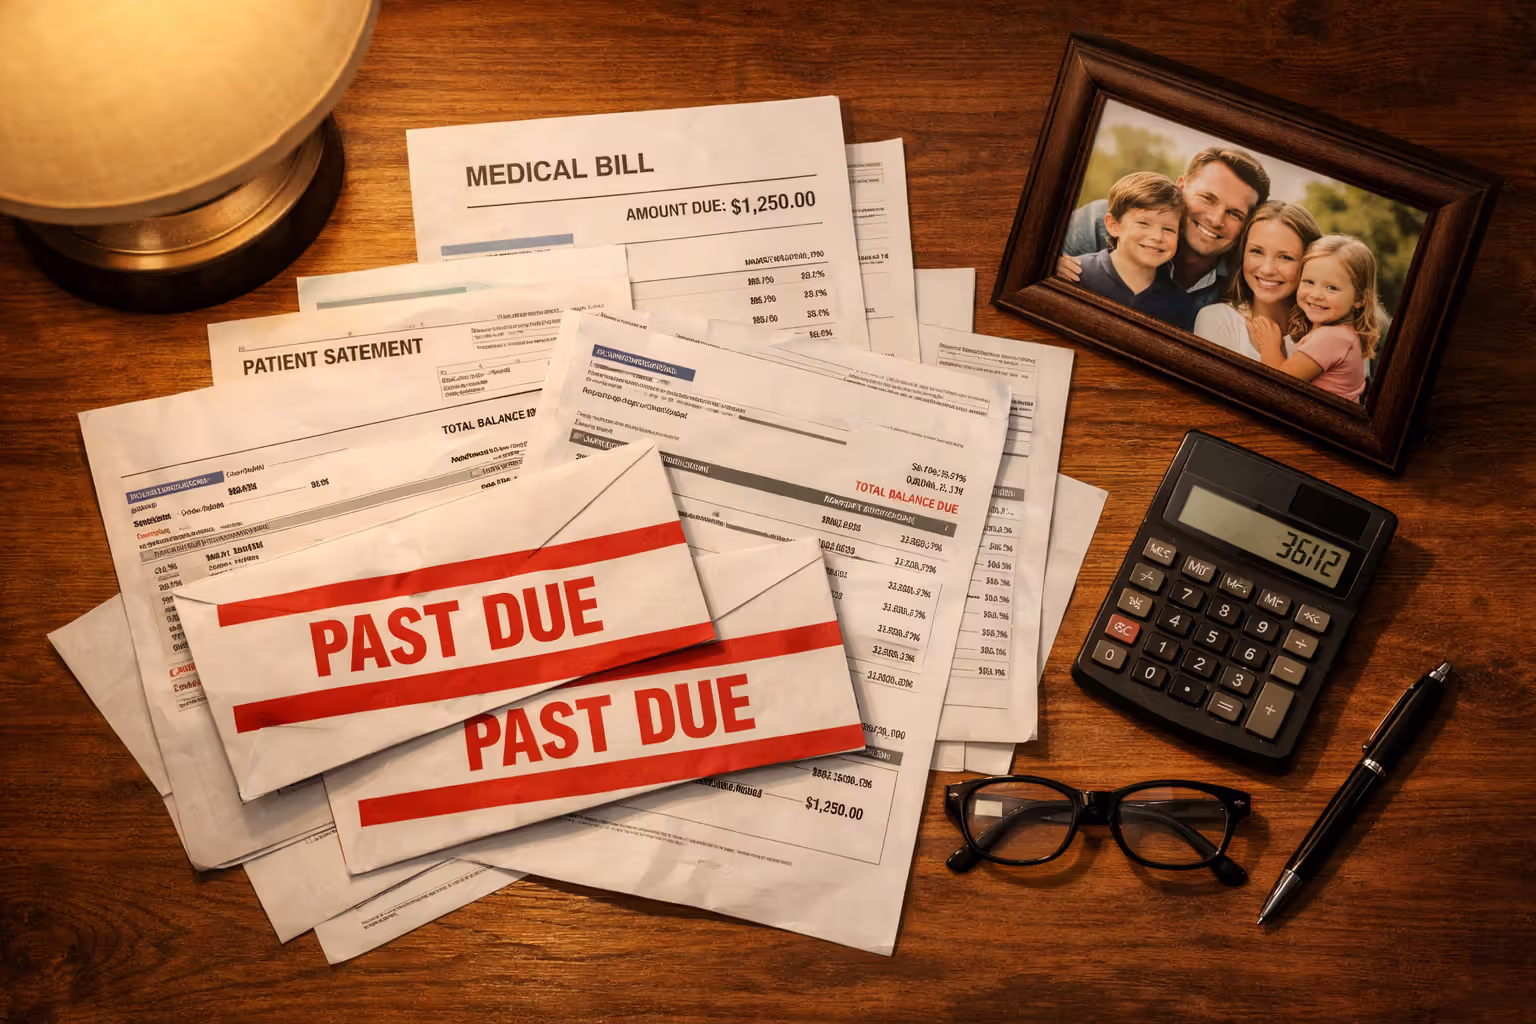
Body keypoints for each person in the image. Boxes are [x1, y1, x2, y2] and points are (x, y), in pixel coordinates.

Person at [1059, 147, 1270, 322]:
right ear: (1180, 188)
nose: (1216, 220)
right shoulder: (1104, 220)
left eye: (1235, 213)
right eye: (1207, 198)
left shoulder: (1244, 286)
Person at [1248, 235, 1380, 402]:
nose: (1316, 295)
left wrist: (1269, 345)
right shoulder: (1346, 334)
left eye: (1332, 288)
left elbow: (1278, 384)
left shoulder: (1330, 338)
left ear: (1359, 298)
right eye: (1309, 282)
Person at [1193, 201, 1322, 361]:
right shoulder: (1218, 320)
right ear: (1242, 254)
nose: (1267, 269)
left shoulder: (1325, 336)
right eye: (1257, 251)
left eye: (1285, 257)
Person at [1072, 172, 1194, 330]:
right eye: (1143, 223)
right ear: (1113, 225)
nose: (1157, 236)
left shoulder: (1181, 304)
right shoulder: (1077, 272)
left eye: (1169, 229)